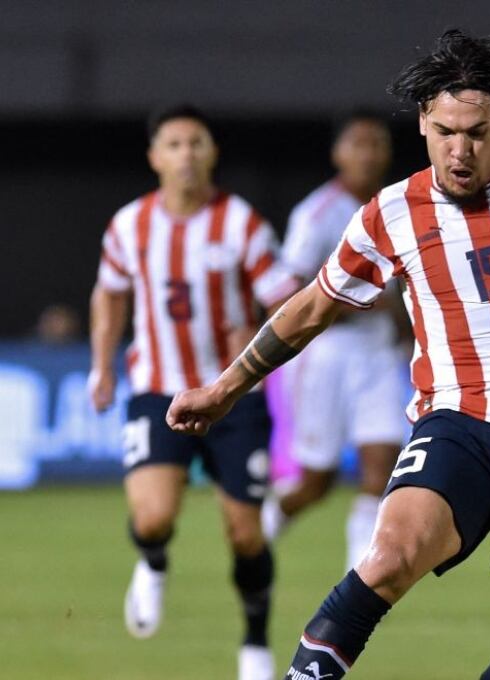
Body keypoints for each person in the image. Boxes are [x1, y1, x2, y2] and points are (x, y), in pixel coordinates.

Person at [165, 30, 490, 680]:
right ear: (422, 122)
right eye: (445, 131)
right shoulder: (391, 214)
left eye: (475, 132)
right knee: (385, 557)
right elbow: (311, 308)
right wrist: (223, 389)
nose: (459, 149)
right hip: (458, 427)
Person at [88, 104, 298, 680]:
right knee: (153, 518)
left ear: (212, 152)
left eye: (196, 143)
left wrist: (258, 327)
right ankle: (153, 563)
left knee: (245, 533)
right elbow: (109, 294)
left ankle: (255, 641)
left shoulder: (241, 224)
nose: (186, 154)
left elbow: (286, 297)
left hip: (233, 395)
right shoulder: (129, 225)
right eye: (174, 144)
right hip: (158, 390)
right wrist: (102, 367)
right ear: (155, 157)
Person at [262, 109, 410, 572]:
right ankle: (267, 521)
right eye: (358, 143)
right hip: (325, 354)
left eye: (377, 144)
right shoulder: (316, 214)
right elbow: (283, 296)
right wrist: (359, 300)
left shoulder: (402, 205)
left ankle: (357, 579)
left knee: (382, 469)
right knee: (316, 481)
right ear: (338, 153)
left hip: (381, 352)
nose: (368, 154)